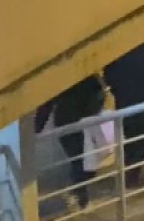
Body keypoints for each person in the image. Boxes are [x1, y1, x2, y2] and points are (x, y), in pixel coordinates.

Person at [34, 76, 104, 209]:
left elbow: (47, 104)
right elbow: (98, 95)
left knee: (79, 160)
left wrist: (37, 127)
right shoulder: (86, 76)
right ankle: (80, 196)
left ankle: (78, 194)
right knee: (82, 160)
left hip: (71, 122)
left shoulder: (62, 77)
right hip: (78, 121)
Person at [103, 43, 144, 186]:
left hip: (126, 102)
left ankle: (129, 175)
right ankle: (131, 175)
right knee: (142, 140)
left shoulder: (117, 52)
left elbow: (110, 76)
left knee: (131, 140)